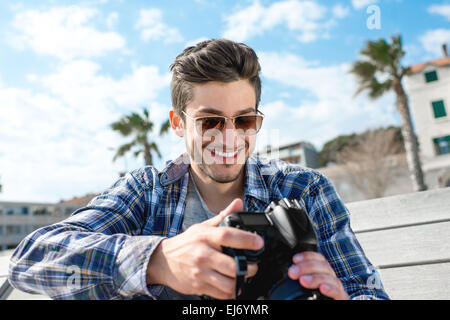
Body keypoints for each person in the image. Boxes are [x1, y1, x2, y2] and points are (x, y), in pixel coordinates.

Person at [8, 39, 389, 300]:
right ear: (177, 123)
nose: (229, 138)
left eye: (244, 121)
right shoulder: (146, 192)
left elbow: (368, 290)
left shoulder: (304, 190)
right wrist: (157, 261)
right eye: (210, 121)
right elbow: (30, 259)